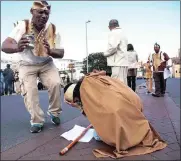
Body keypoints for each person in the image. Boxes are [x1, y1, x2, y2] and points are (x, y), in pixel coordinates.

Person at [64, 70, 167, 159]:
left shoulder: (84, 91)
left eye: (76, 101)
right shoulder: (90, 79)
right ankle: (132, 130)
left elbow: (97, 114)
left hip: (121, 112)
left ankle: (126, 136)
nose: (78, 103)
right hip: (135, 103)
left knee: (97, 135)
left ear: (75, 97)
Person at [1, 1, 64, 133]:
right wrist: (16, 47)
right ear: (32, 11)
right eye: (40, 12)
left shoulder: (52, 28)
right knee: (30, 91)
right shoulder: (23, 25)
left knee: (56, 83)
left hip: (46, 63)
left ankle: (54, 112)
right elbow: (5, 45)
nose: (43, 16)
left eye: (46, 13)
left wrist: (51, 51)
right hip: (26, 63)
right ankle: (37, 120)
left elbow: (61, 52)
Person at [103, 19, 128, 85]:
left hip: (117, 62)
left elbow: (113, 47)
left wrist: (105, 54)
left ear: (109, 27)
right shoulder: (122, 33)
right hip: (123, 62)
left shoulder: (113, 32)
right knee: (123, 84)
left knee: (116, 84)